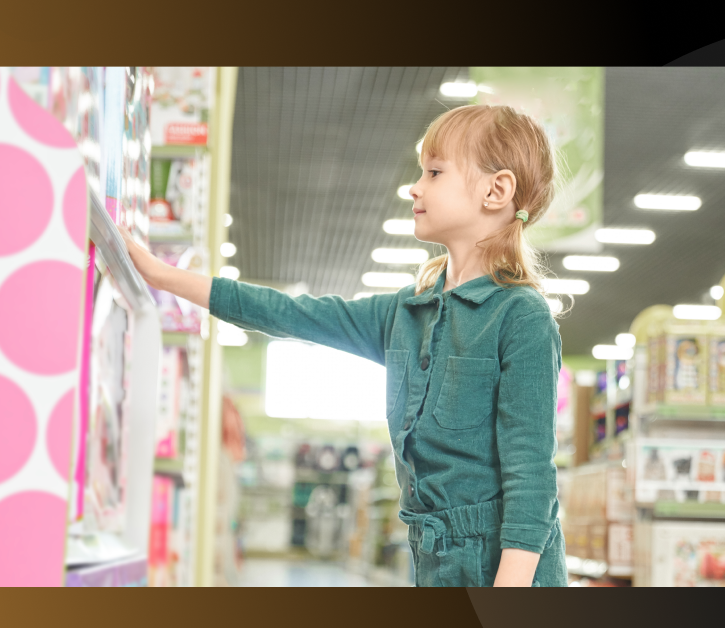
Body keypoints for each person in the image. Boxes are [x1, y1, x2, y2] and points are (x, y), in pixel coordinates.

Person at [118, 104, 568, 587]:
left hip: (509, 573)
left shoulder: (521, 317)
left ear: (495, 191)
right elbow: (293, 314)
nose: (415, 187)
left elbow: (531, 481)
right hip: (434, 561)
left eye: (435, 172)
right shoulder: (406, 313)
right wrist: (163, 276)